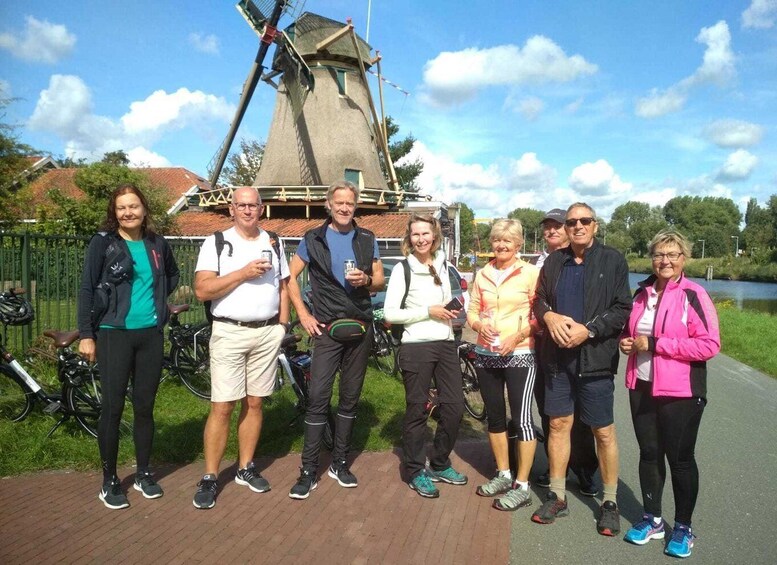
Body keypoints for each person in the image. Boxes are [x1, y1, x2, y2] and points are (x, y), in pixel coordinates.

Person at [531, 203, 632, 536]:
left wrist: (587, 330)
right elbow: (540, 299)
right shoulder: (554, 261)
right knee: (559, 423)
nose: (576, 226)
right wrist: (549, 316)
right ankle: (558, 495)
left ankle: (610, 502)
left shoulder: (612, 260)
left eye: (583, 221)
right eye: (571, 222)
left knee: (602, 431)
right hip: (557, 360)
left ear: (594, 225)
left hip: (595, 360)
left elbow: (622, 309)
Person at [78, 184, 179, 509]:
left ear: (144, 209)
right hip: (113, 333)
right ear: (115, 212)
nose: (128, 212)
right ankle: (109, 481)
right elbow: (87, 290)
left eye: (133, 206)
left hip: (149, 334)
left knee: (145, 407)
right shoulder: (103, 243)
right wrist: (86, 334)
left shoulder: (157, 244)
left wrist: (158, 308)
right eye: (122, 208)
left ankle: (143, 473)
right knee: (113, 408)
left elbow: (172, 276)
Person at [620, 230, 719, 558]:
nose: (665, 261)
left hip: (682, 392)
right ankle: (652, 519)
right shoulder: (642, 293)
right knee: (648, 454)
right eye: (660, 254)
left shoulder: (694, 294)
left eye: (672, 255)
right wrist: (627, 342)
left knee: (680, 459)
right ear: (652, 258)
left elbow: (709, 345)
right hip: (643, 385)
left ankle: (684, 527)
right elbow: (633, 332)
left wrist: (657, 345)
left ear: (683, 259)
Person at [191, 187, 289, 509]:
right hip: (230, 332)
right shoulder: (215, 242)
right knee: (223, 406)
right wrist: (242, 274)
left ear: (262, 209)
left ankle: (245, 467)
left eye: (253, 205)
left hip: (266, 333)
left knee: (256, 402)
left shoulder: (273, 241)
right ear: (231, 209)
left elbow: (285, 284)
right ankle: (210, 476)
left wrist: (282, 325)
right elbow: (202, 290)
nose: (248, 210)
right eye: (241, 205)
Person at [286, 180, 385, 499]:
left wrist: (367, 280)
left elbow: (379, 280)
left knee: (350, 397)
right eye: (339, 203)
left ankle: (340, 463)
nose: (345, 208)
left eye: (350, 203)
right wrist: (303, 314)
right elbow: (289, 277)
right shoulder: (312, 238)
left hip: (359, 327)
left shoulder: (368, 238)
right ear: (328, 205)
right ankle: (308, 469)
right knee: (318, 397)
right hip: (326, 328)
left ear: (356, 206)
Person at [383, 213, 467, 498]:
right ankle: (416, 470)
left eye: (425, 234)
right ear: (409, 238)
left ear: (434, 237)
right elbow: (390, 313)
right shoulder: (401, 269)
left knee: (454, 407)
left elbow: (441, 300)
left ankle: (441, 462)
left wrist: (448, 310)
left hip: (445, 343)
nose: (421, 239)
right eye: (416, 234)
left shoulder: (442, 263)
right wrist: (427, 311)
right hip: (416, 346)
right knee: (417, 409)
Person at [466, 219, 540, 511]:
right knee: (495, 417)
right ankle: (503, 474)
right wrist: (477, 325)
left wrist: (519, 335)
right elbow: (473, 308)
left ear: (519, 244)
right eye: (497, 240)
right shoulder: (483, 274)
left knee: (522, 419)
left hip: (519, 352)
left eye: (508, 240)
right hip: (487, 353)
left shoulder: (531, 273)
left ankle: (522, 485)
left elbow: (540, 315)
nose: (502, 245)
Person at [532, 209, 599, 497]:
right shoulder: (539, 262)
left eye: (557, 226)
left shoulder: (583, 260)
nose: (551, 231)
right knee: (551, 412)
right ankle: (555, 464)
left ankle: (584, 468)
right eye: (547, 228)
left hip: (576, 346)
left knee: (582, 416)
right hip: (542, 345)